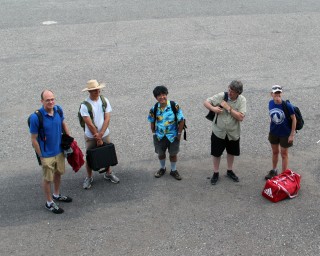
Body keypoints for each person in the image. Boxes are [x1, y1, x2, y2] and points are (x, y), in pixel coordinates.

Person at [29, 90, 72, 214]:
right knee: (48, 178)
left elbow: (63, 123)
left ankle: (56, 195)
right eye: (47, 100)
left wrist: (69, 139)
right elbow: (33, 139)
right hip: (46, 154)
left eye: (52, 99)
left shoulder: (58, 109)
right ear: (42, 101)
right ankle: (49, 202)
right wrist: (41, 156)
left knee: (58, 173)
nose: (51, 102)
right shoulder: (36, 117)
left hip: (59, 151)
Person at [203, 80, 247, 185]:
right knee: (216, 153)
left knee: (231, 152)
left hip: (233, 132)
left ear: (238, 93)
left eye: (232, 91)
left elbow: (240, 117)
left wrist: (228, 108)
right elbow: (206, 102)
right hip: (218, 131)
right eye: (229, 89)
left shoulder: (242, 100)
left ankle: (229, 170)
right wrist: (213, 108)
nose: (229, 92)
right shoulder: (222, 95)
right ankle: (216, 172)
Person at [80, 79, 119, 189]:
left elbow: (107, 118)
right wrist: (98, 136)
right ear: (89, 92)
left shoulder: (104, 100)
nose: (97, 91)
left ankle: (108, 173)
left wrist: (101, 134)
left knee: (106, 153)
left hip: (103, 133)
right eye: (94, 90)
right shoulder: (84, 105)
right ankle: (89, 177)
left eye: (98, 89)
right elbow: (89, 123)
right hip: (91, 135)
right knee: (89, 156)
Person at [148, 85, 185, 180]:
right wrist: (154, 134)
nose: (161, 97)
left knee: (173, 154)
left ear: (166, 94)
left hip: (173, 136)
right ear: (156, 97)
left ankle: (173, 170)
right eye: (159, 95)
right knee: (161, 154)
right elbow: (152, 122)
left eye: (163, 94)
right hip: (159, 136)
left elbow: (181, 120)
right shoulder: (154, 108)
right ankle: (162, 168)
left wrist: (179, 134)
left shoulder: (174, 105)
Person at [265, 85, 296, 180]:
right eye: (275, 93)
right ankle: (274, 170)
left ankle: (283, 175)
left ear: (281, 93)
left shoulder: (287, 106)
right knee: (275, 152)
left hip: (285, 134)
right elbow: (271, 114)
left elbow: (294, 119)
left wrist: (292, 134)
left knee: (284, 154)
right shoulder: (270, 103)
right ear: (272, 94)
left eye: (279, 93)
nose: (277, 95)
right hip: (274, 132)